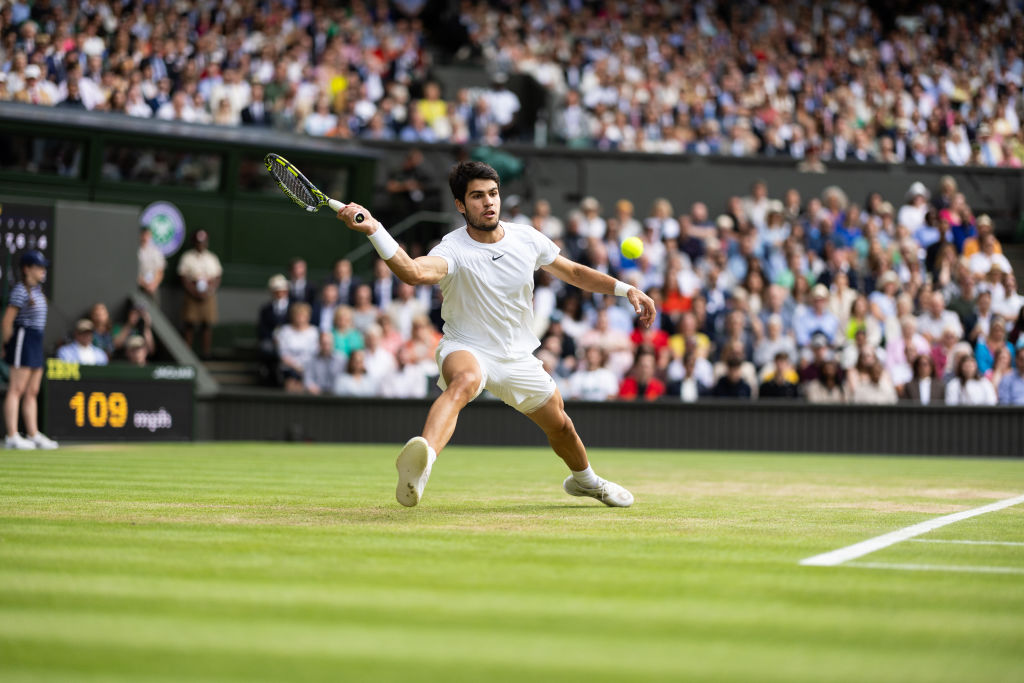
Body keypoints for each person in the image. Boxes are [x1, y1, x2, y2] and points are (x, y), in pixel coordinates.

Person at [335, 161, 655, 507]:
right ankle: (420, 464)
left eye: (493, 194)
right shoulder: (452, 249)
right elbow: (413, 272)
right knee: (465, 381)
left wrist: (626, 290)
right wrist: (375, 230)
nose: (488, 203)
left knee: (561, 426)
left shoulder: (527, 238)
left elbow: (575, 272)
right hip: (466, 345)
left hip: (517, 356)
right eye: (477, 196)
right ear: (460, 205)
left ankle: (586, 481)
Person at [2, 251, 59, 449]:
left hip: (36, 339)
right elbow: (7, 322)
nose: (43, 271)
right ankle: (12, 435)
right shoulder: (20, 291)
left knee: (32, 391)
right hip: (22, 339)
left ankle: (33, 433)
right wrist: (4, 345)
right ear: (27, 269)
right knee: (16, 389)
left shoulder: (37, 291)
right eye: (38, 267)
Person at [177, 229, 222, 358]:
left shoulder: (212, 258)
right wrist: (193, 291)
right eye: (198, 242)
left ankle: (206, 353)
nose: (200, 245)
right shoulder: (187, 257)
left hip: (208, 295)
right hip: (192, 293)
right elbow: (183, 277)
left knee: (207, 324)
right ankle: (186, 353)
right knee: (189, 323)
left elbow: (217, 277)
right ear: (194, 243)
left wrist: (209, 290)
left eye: (203, 242)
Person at [137, 225, 165, 302]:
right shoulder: (135, 250)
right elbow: (132, 271)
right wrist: (143, 284)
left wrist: (153, 285)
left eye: (147, 234)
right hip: (139, 287)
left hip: (153, 287)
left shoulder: (156, 251)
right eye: (143, 234)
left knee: (154, 310)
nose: (145, 237)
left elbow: (160, 271)